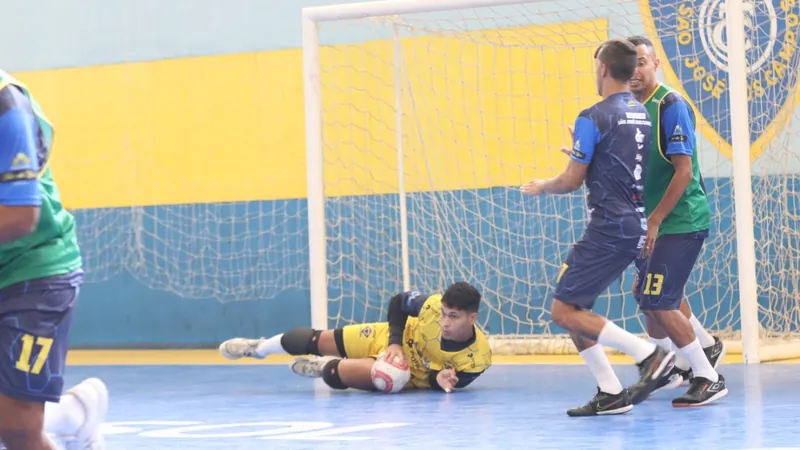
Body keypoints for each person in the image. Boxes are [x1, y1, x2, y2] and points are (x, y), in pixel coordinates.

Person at [520, 38, 675, 417]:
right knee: (576, 310)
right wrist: (583, 151)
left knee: (562, 311)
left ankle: (650, 355)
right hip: (632, 224)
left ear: (603, 69)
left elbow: (573, 180)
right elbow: (611, 159)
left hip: (608, 227)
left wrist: (543, 185)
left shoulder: (593, 116)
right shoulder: (640, 112)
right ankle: (610, 391)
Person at [0, 70, 109, 450]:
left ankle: (71, 417)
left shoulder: (5, 103)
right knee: (11, 415)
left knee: (17, 429)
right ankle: (75, 415)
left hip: (33, 271)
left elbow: (19, 216)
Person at [624, 35, 727, 407]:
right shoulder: (626, 109)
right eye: (628, 63)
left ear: (655, 64)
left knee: (658, 298)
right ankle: (687, 356)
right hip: (650, 222)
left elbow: (683, 172)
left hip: (680, 220)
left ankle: (707, 376)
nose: (634, 70)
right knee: (650, 295)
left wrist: (654, 220)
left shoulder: (671, 105)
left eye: (640, 61)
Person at [219, 281, 492, 393]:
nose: (444, 322)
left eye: (453, 317)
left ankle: (323, 367)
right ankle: (259, 348)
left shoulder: (477, 358)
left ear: (472, 318)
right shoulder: (431, 305)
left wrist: (439, 380)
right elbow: (398, 302)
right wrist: (394, 342)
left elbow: (446, 382)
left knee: (338, 374)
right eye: (443, 313)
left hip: (407, 373)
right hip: (389, 339)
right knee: (312, 340)